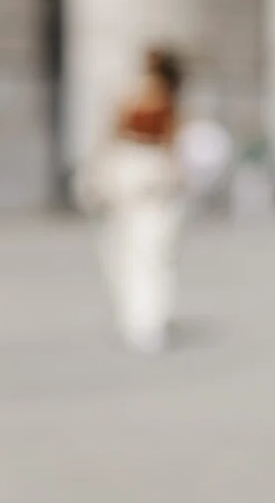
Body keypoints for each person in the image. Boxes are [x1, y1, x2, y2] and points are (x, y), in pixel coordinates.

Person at [83, 47, 188, 354]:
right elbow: (170, 143)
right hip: (148, 173)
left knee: (132, 250)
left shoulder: (136, 95)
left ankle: (141, 318)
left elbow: (112, 134)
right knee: (150, 253)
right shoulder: (165, 98)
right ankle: (146, 319)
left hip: (132, 171)